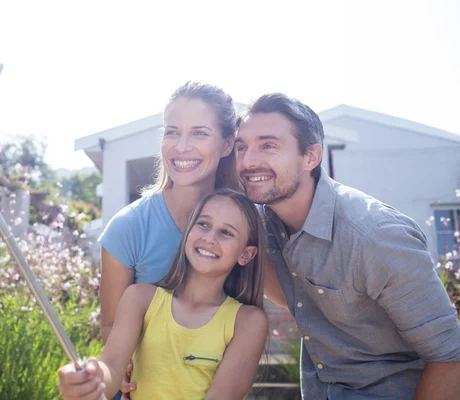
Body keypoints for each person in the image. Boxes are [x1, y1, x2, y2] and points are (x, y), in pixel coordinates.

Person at [235, 92, 460, 399]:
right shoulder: (265, 222)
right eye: (241, 147)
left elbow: (449, 356)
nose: (248, 161)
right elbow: (294, 298)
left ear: (311, 157)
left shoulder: (375, 236)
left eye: (268, 145)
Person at [97, 81, 284, 398]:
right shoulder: (128, 228)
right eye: (172, 131)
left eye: (199, 133)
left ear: (227, 145)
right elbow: (112, 335)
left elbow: (286, 298)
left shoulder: (248, 224)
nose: (181, 146)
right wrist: (110, 372)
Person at [58, 189, 269, 400]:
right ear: (188, 230)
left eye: (226, 233)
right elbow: (111, 368)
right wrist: (91, 380)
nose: (209, 238)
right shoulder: (140, 299)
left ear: (246, 254)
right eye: (203, 224)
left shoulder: (248, 322)